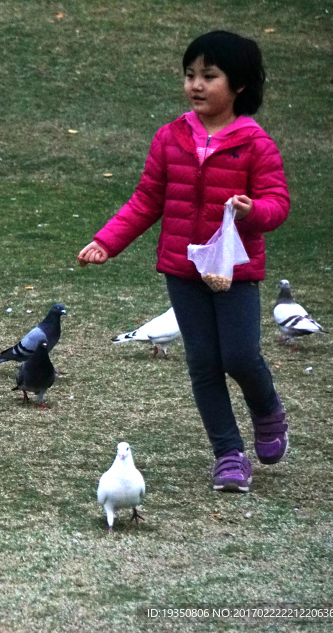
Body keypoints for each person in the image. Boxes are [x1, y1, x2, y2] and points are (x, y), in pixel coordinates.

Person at [78, 31, 290, 493]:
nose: (196, 84)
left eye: (209, 76)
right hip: (182, 268)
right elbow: (146, 200)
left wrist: (255, 210)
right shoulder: (170, 137)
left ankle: (268, 411)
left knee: (238, 355)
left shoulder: (255, 144)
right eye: (190, 75)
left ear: (238, 86)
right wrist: (107, 242)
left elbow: (278, 203)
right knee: (202, 363)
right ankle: (229, 454)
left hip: (233, 270)